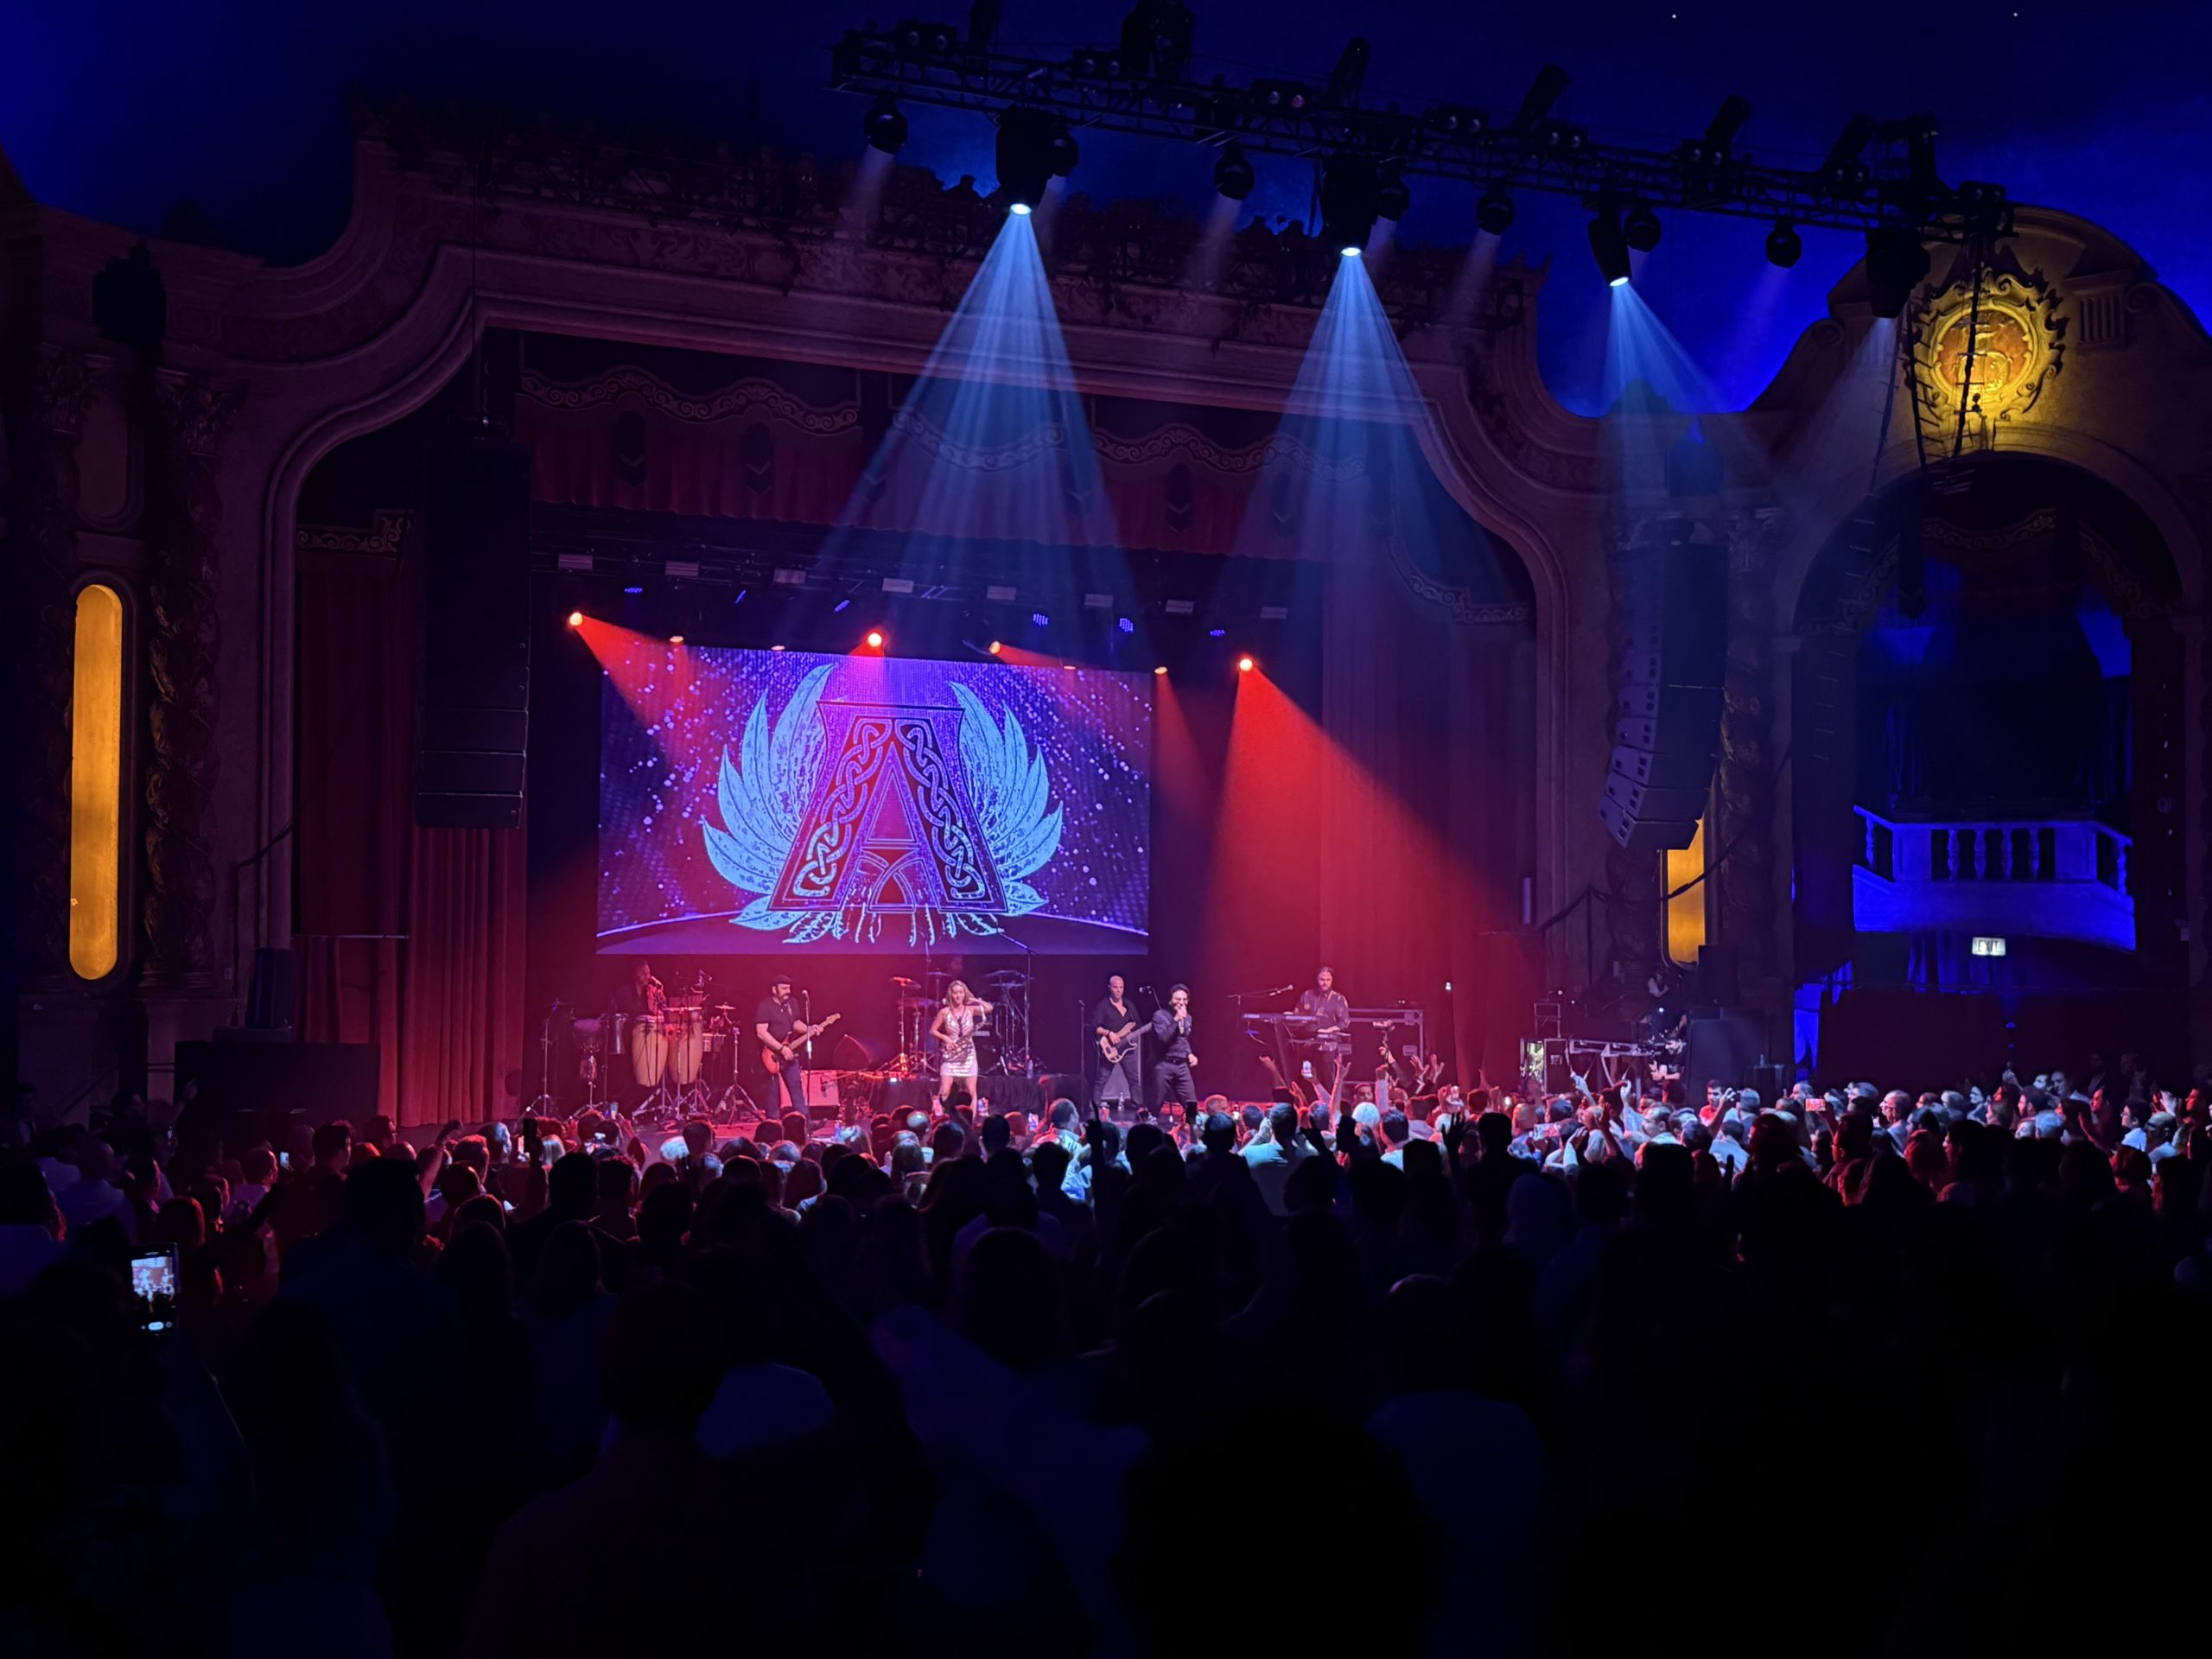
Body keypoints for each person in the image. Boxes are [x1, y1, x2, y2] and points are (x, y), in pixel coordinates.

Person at [929, 980, 994, 1109]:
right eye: (955, 993)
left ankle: (970, 1121)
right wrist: (945, 1038)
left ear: (964, 994)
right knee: (945, 1091)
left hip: (968, 1055)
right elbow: (933, 1030)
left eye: (961, 992)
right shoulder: (944, 1012)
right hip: (951, 1054)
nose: (958, 996)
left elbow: (989, 1008)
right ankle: (942, 1121)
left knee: (971, 1092)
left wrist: (975, 999)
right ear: (950, 994)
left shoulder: (970, 1010)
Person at [753, 973, 810, 1119]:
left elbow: (795, 1024)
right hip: (771, 1054)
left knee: (796, 1088)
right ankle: (773, 1126)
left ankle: (806, 1124)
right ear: (774, 990)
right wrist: (780, 1048)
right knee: (773, 1092)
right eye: (784, 988)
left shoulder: (792, 1003)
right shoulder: (765, 1006)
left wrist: (809, 1029)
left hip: (789, 1051)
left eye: (789, 988)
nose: (788, 991)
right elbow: (761, 1032)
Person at [1090, 974, 1144, 1110]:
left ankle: (1138, 1107)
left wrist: (1129, 1032)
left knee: (1134, 1079)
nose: (1119, 990)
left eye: (1121, 987)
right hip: (1110, 1048)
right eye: (1116, 987)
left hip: (1127, 1048)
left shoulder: (1129, 1005)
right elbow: (1095, 1026)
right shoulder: (1103, 1006)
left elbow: (1137, 1023)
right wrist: (1109, 1033)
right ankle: (1094, 1107)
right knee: (1102, 1078)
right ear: (1110, 988)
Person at [1150, 984, 1198, 1114]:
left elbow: (1183, 1038)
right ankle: (1150, 1126)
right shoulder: (1160, 1016)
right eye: (1178, 999)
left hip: (1181, 1066)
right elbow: (1164, 1038)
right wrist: (1176, 1020)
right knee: (1156, 1102)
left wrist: (1190, 1054)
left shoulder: (1188, 1018)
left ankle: (1193, 1130)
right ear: (1170, 1001)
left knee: (1191, 1104)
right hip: (1164, 1063)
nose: (1181, 1003)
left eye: (1184, 1000)